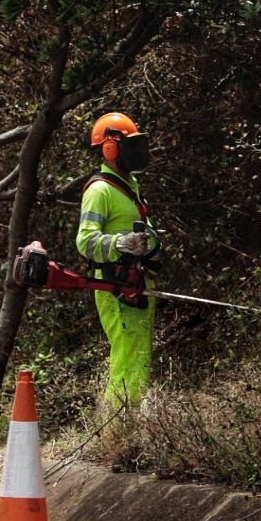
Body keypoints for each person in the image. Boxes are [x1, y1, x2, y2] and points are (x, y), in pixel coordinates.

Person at [75, 111, 160, 412]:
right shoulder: (99, 190)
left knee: (138, 353)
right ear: (109, 149)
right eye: (130, 145)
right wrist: (120, 243)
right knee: (127, 353)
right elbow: (85, 242)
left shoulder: (129, 185)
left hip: (136, 283)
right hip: (115, 285)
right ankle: (116, 426)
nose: (137, 153)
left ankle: (131, 419)